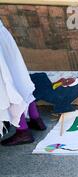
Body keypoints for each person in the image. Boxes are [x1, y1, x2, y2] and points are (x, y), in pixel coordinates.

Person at [0, 18, 46, 146]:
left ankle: (23, 131)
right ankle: (36, 118)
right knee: (17, 78)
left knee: (6, 86)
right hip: (2, 34)